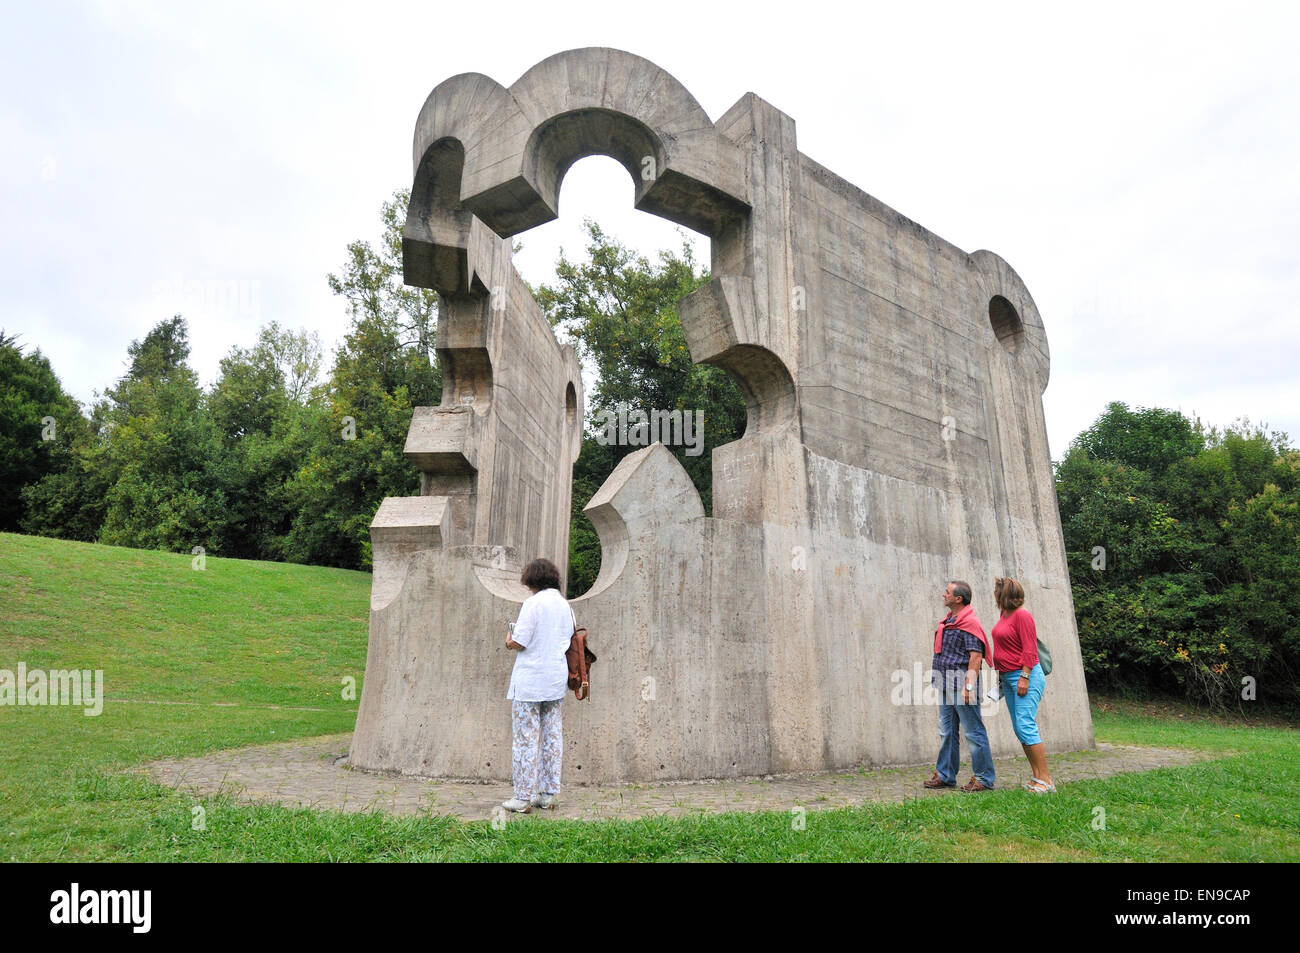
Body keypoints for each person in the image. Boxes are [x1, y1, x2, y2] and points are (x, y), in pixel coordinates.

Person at [500, 557, 573, 813]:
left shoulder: (532, 604)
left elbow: (520, 641)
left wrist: (509, 640)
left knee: (525, 738)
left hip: (531, 681)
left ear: (531, 580)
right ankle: (548, 794)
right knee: (552, 736)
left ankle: (521, 797)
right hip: (555, 680)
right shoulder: (566, 606)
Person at [924, 580, 996, 793]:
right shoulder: (950, 620)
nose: (942, 594)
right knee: (946, 731)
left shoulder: (969, 622)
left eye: (947, 592)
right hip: (945, 683)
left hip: (962, 686)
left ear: (958, 599)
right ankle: (946, 775)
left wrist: (969, 688)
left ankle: (984, 778)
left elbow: (976, 656)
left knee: (973, 732)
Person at [990, 576, 1055, 793]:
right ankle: (1037, 777)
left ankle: (1046, 781)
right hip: (1008, 677)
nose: (994, 594)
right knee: (1020, 728)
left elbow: (1029, 649)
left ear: (1004, 594)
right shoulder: (1004, 615)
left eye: (997, 590)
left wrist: (1025, 676)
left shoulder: (1022, 616)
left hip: (1025, 675)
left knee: (1026, 725)